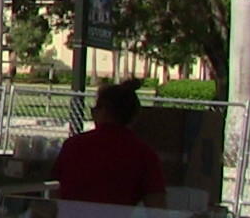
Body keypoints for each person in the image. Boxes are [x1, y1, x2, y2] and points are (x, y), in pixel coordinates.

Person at [52, 79, 166, 208]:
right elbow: (157, 209)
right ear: (134, 116)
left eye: (95, 109)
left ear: (103, 111)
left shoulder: (73, 146)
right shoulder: (144, 154)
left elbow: (55, 193)